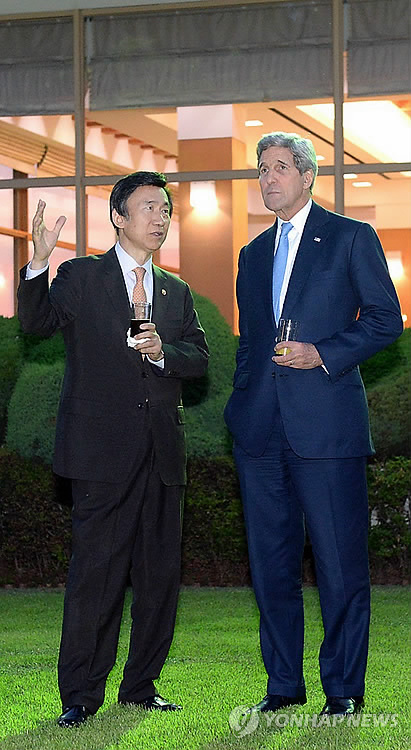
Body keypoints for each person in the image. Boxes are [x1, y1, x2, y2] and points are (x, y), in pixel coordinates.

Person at [18, 171, 209, 727]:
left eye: (166, 209)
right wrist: (39, 263)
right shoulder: (81, 276)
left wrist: (164, 351)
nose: (160, 218)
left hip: (163, 456)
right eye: (149, 207)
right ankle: (80, 696)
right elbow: (37, 322)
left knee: (158, 579)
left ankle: (141, 687)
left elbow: (199, 358)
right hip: (99, 456)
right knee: (96, 578)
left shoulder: (175, 290)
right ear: (119, 217)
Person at [224, 132, 403, 717]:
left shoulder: (351, 237)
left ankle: (343, 690)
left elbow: (386, 320)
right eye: (262, 168)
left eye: (280, 167)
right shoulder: (252, 254)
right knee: (270, 567)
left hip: (327, 429)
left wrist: (322, 353)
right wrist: (239, 406)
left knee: (340, 565)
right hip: (259, 433)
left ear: (307, 177)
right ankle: (283, 686)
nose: (268, 177)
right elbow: (249, 343)